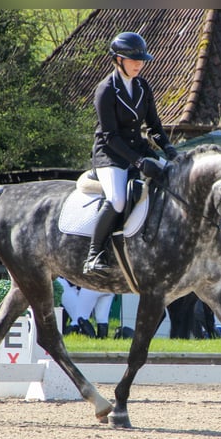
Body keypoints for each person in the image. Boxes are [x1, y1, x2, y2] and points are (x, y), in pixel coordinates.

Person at [84, 31, 179, 275]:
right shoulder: (105, 90)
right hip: (110, 155)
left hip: (138, 149)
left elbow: (154, 127)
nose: (139, 64)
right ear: (118, 60)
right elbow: (110, 136)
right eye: (134, 60)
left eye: (141, 60)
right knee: (117, 199)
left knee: (174, 178)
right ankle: (94, 254)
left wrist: (168, 150)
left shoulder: (142, 86)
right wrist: (138, 161)